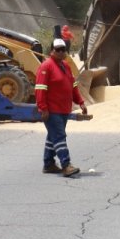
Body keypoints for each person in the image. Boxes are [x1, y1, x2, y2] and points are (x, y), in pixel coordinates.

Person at [35, 38, 87, 177]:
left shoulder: (66, 66)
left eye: (63, 49)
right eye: (57, 49)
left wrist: (80, 102)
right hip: (52, 110)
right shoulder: (46, 66)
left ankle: (48, 164)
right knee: (59, 136)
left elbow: (73, 86)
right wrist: (43, 108)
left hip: (64, 109)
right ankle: (66, 164)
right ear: (52, 51)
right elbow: (40, 88)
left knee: (53, 136)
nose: (60, 52)